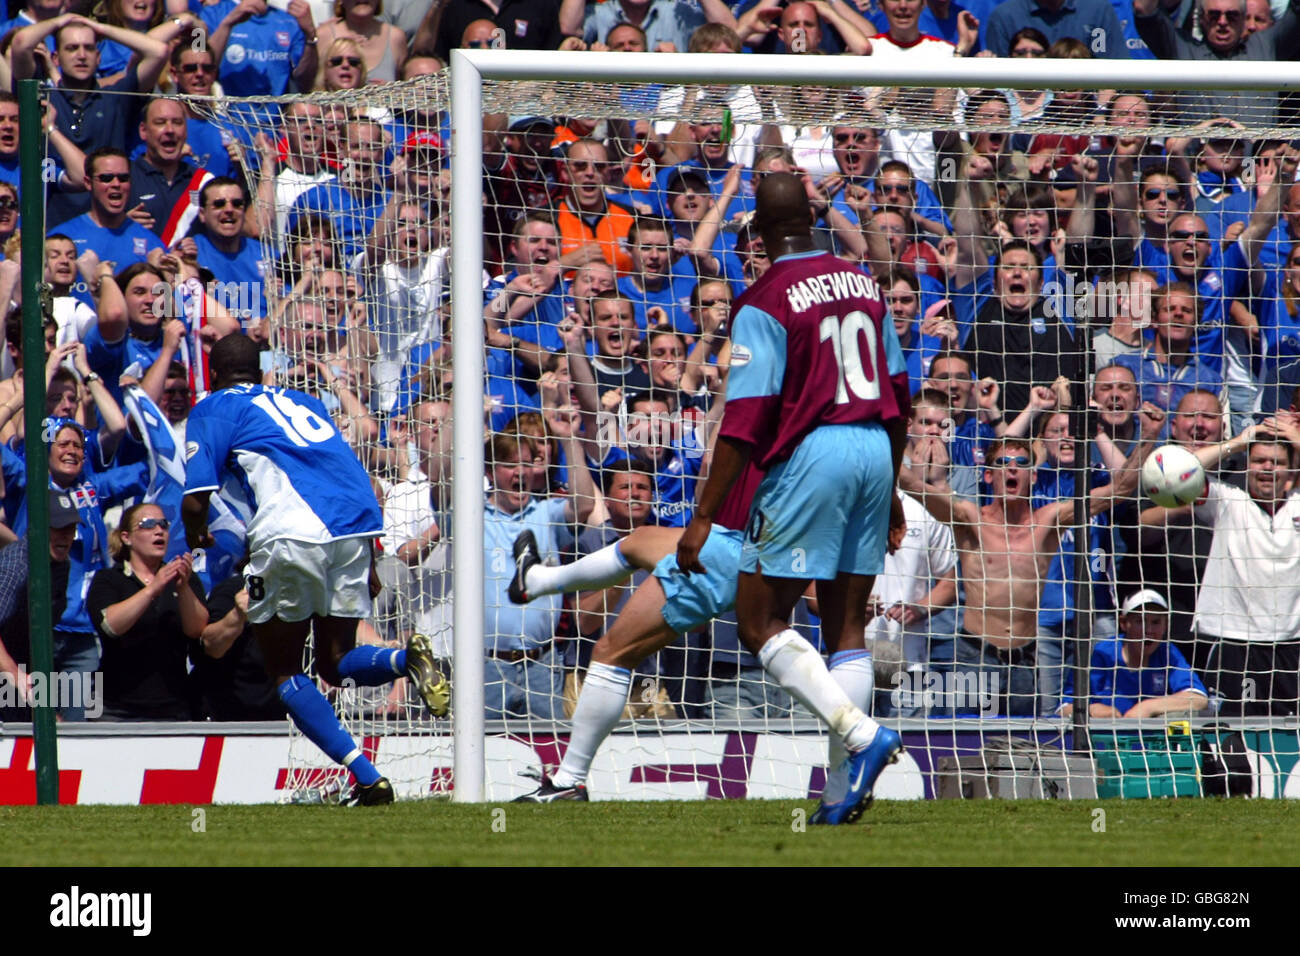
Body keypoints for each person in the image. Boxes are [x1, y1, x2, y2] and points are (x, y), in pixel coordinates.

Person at [676, 171, 911, 824]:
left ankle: (863, 738)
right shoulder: (863, 283)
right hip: (872, 445)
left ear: (759, 234)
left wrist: (701, 517)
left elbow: (746, 417)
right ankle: (839, 792)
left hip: (816, 452)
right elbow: (898, 387)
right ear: (809, 223)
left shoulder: (765, 297)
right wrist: (891, 486)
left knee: (758, 620)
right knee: (846, 627)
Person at [182, 333, 449, 804]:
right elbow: (341, 466)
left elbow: (196, 495)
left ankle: (368, 779)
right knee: (334, 659)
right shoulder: (302, 400)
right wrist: (368, 554)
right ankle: (406, 659)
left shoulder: (214, 406)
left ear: (213, 370)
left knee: (285, 670)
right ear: (261, 368)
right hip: (356, 523)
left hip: (292, 530)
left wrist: (194, 534)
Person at [899, 407, 1160, 716]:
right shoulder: (969, 519)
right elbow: (912, 485)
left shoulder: (1048, 521)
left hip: (1027, 658)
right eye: (1002, 463)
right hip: (974, 654)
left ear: (1033, 475)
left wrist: (1150, 435)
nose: (1011, 470)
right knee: (963, 745)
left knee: (1024, 749)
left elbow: (1121, 490)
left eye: (1021, 463)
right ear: (988, 474)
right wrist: (887, 429)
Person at [86, 503, 208, 720]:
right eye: (148, 524)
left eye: (163, 524)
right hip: (116, 708)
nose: (159, 530)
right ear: (126, 537)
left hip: (174, 706)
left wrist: (183, 588)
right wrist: (152, 589)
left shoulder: (183, 579)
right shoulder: (109, 579)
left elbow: (197, 629)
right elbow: (110, 625)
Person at [1060, 590, 1209, 718]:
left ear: (1166, 626)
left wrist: (1147, 707)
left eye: (1156, 622)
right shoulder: (1101, 654)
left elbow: (1198, 698)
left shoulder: (1168, 652)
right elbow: (1064, 708)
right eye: (1140, 621)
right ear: (1124, 624)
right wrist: (1093, 710)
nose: (1148, 630)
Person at [0, 490, 80, 723]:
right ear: (37, 527)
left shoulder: (60, 564)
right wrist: (16, 676)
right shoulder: (15, 566)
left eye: (71, 529)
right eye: (58, 528)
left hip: (25, 672)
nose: (66, 537)